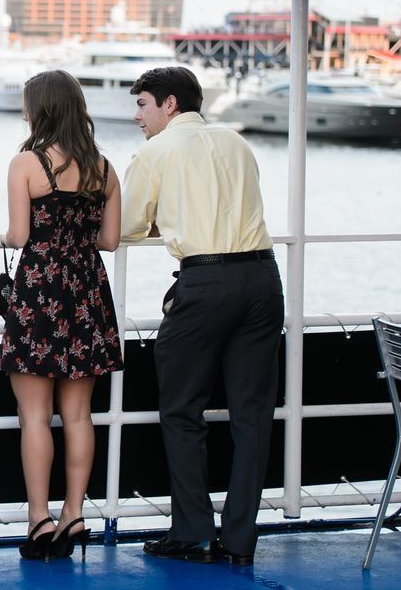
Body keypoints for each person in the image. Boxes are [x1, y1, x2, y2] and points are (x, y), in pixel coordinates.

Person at [120, 66, 283, 567]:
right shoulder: (237, 142)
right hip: (262, 277)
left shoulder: (155, 152)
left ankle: (192, 532)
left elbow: (126, 228)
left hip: (206, 282)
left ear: (170, 105)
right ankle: (238, 540)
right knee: (252, 416)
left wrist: (163, 226)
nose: (137, 116)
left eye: (143, 104)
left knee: (182, 409)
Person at [0, 69, 123, 561]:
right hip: (86, 294)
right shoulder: (104, 169)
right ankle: (75, 514)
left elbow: (20, 236)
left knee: (34, 417)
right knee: (79, 415)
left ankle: (39, 519)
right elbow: (108, 241)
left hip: (40, 295)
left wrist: (1, 238)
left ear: (40, 109)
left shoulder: (27, 162)